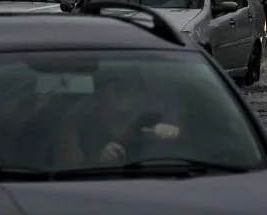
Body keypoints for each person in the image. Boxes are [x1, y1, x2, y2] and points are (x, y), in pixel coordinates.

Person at [51, 69, 182, 167]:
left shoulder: (154, 124)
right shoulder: (77, 127)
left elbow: (193, 152)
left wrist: (175, 135)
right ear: (99, 92)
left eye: (130, 85)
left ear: (142, 95)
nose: (125, 90)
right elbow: (66, 171)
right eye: (117, 85)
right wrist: (97, 161)